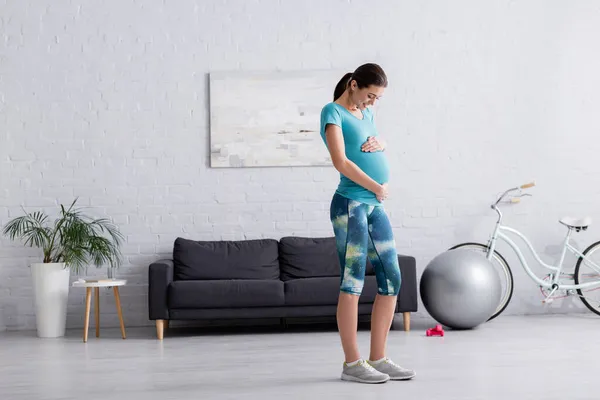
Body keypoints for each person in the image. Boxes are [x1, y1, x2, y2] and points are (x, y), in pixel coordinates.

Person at [319, 63, 416, 384]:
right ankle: (352, 363)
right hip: (350, 205)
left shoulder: (367, 113)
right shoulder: (332, 112)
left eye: (377, 98)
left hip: (374, 207)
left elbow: (373, 140)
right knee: (353, 282)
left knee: (392, 279)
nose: (372, 102)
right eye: (370, 95)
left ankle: (378, 357)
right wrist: (375, 186)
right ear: (353, 84)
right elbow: (340, 160)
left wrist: (383, 143)